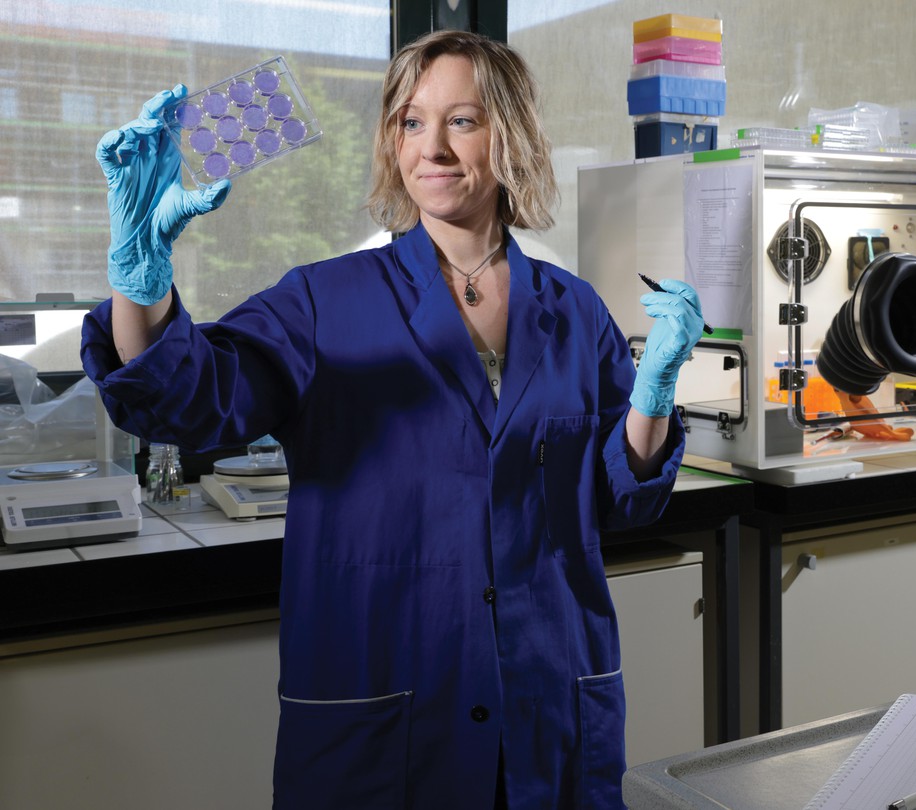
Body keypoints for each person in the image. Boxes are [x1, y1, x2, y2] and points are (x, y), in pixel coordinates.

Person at [82, 30, 704, 809]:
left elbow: (621, 497)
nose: (433, 148)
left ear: (509, 134)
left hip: (547, 704)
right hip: (384, 704)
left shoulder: (574, 309)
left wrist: (652, 392)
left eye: (463, 121)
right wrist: (139, 279)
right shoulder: (323, 300)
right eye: (412, 122)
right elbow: (185, 401)